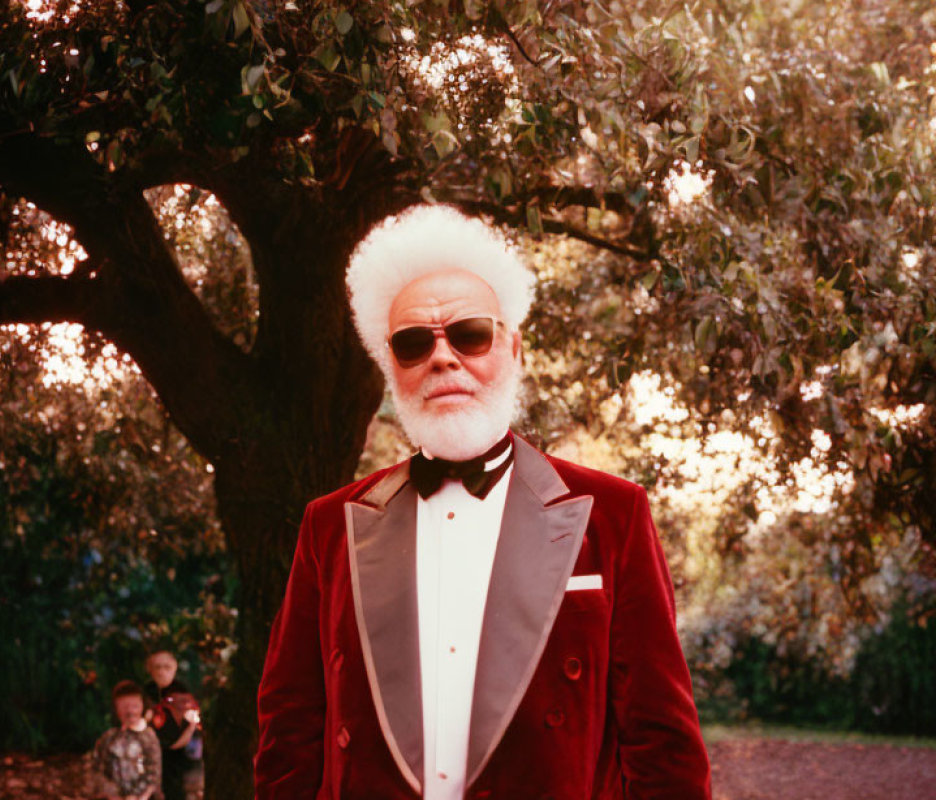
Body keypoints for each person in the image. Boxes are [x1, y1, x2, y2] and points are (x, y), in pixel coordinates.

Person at [254, 204, 712, 799]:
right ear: (391, 367)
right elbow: (289, 739)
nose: (443, 357)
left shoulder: (612, 514)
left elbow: (663, 747)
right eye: (415, 343)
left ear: (514, 348)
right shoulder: (331, 526)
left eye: (470, 334)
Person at [144, 649, 202, 800]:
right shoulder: (146, 692)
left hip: (177, 756)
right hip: (149, 755)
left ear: (174, 667)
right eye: (157, 667)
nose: (162, 672)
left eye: (167, 667)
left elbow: (192, 728)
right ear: (150, 670)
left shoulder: (183, 692)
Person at [89, 680, 161, 800]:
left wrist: (140, 796)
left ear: (142, 706)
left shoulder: (149, 737)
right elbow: (96, 770)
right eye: (124, 707)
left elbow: (154, 773)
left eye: (135, 706)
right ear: (116, 709)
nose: (130, 711)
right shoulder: (108, 738)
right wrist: (111, 794)